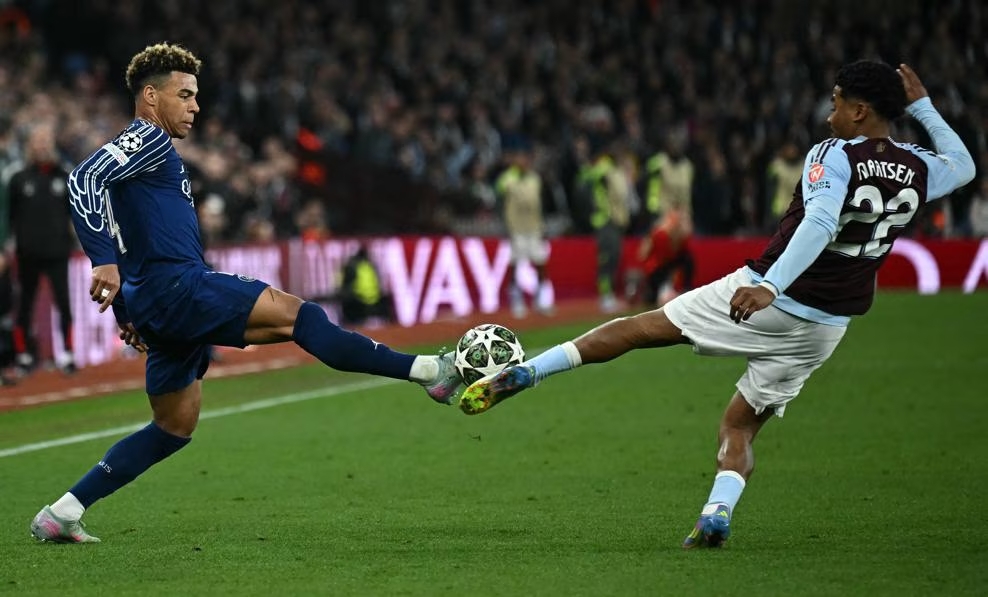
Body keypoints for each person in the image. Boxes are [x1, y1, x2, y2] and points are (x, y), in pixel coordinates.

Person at [458, 61, 975, 548]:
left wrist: (772, 286)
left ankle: (529, 372)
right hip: (826, 326)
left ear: (860, 111)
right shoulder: (916, 165)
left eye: (837, 102)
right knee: (739, 425)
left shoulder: (834, 154)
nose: (829, 113)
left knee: (638, 329)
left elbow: (819, 223)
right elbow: (964, 167)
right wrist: (924, 108)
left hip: (771, 296)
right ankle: (716, 514)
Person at [30, 43, 462, 544]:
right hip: (179, 286)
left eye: (196, 96)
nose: (195, 106)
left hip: (153, 299)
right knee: (302, 317)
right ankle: (429, 372)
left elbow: (131, 236)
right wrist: (102, 260)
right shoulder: (146, 138)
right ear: (150, 96)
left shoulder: (147, 155)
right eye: (184, 95)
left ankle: (63, 512)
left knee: (173, 426)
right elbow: (83, 177)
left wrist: (127, 309)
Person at [6, 122, 77, 374]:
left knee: (64, 303)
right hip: (27, 254)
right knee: (24, 305)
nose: (42, 146)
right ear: (30, 146)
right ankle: (23, 355)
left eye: (45, 141)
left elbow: (75, 215)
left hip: (58, 252)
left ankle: (67, 353)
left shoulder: (65, 175)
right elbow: (8, 217)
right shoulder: (17, 178)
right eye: (37, 141)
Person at [495, 137, 552, 318]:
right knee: (516, 265)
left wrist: (542, 226)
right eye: (520, 157)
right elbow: (499, 202)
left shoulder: (535, 179)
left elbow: (539, 204)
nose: (523, 161)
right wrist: (505, 226)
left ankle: (540, 299)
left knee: (540, 263)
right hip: (516, 229)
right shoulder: (505, 179)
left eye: (526, 158)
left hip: (534, 228)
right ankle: (516, 300)